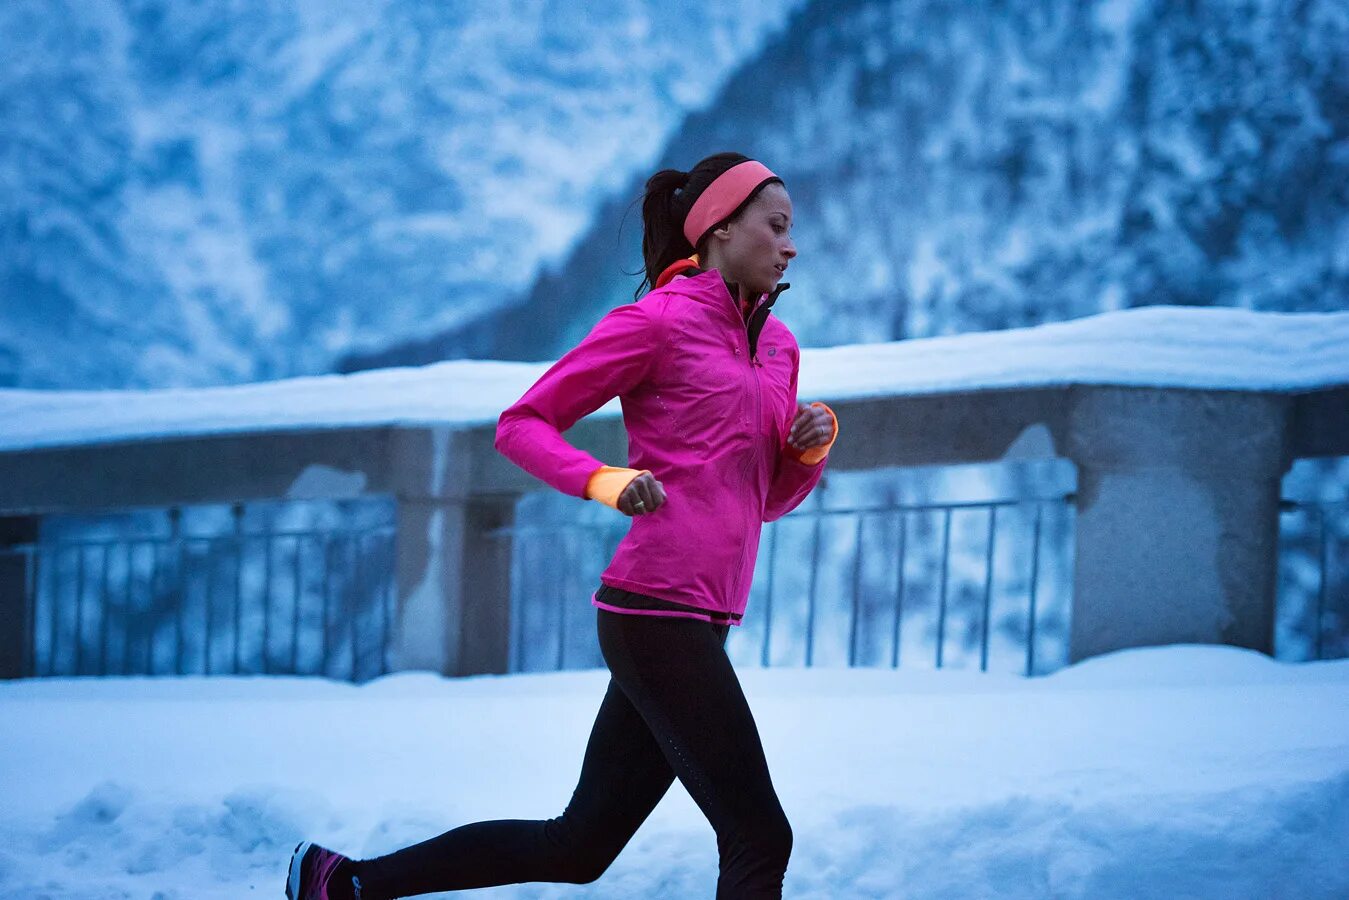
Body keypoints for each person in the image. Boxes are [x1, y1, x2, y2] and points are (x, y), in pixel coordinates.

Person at [285, 152, 839, 900]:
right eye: (775, 225)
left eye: (790, 231)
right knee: (758, 834)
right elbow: (522, 424)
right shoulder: (654, 325)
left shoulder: (778, 347)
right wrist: (605, 481)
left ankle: (339, 884)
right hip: (653, 610)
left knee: (579, 845)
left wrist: (806, 451)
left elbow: (764, 499)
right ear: (718, 226)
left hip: (705, 615)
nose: (789, 244)